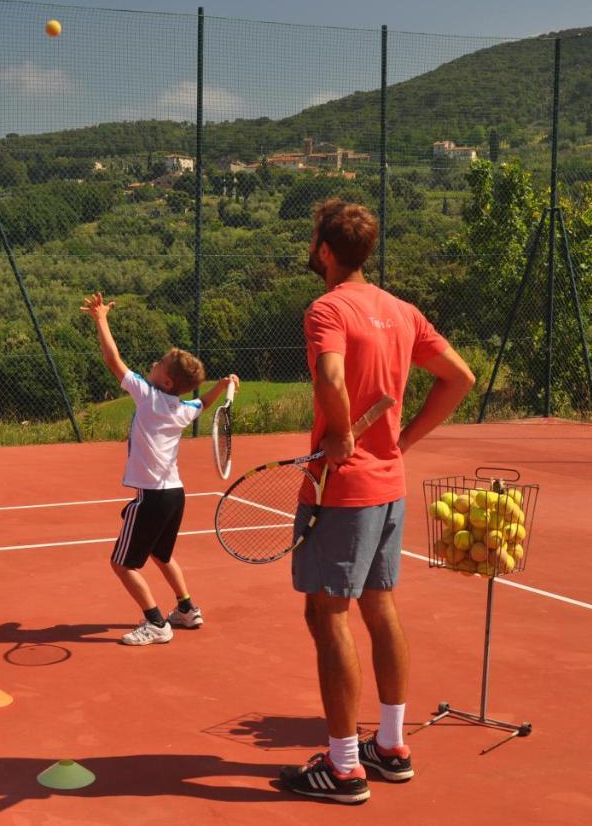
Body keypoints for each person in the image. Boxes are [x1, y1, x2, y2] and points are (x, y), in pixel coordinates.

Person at [278, 199, 475, 804]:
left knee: (326, 615)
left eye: (316, 240)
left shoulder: (327, 309)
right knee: (379, 606)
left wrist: (339, 432)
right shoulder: (401, 310)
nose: (313, 249)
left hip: (344, 490)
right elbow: (459, 378)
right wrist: (403, 443)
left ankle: (343, 769)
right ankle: (390, 747)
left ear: (327, 252)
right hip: (387, 486)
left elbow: (331, 379)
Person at [81, 292, 239, 646]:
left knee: (123, 565)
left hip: (152, 498)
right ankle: (186, 609)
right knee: (160, 554)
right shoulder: (182, 409)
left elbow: (112, 360)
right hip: (174, 495)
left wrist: (101, 318)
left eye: (159, 364)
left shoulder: (149, 397)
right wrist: (224, 385)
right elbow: (202, 402)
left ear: (165, 382)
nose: (153, 363)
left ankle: (156, 623)